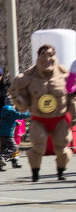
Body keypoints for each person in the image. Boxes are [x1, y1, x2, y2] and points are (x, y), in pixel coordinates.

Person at [11, 44, 76, 182]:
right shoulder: (27, 78)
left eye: (50, 55)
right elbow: (23, 104)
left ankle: (60, 172)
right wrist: (17, 98)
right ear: (38, 57)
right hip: (39, 118)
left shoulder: (66, 75)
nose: (47, 58)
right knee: (38, 146)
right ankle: (35, 173)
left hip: (60, 118)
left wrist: (72, 113)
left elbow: (72, 94)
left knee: (62, 146)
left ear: (55, 56)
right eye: (43, 55)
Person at [0, 96, 31, 172]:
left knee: (3, 149)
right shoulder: (12, 111)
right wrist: (30, 113)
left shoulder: (4, 111)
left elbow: (6, 121)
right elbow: (21, 115)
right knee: (14, 147)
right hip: (8, 134)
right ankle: (3, 158)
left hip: (2, 134)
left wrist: (16, 123)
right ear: (13, 103)